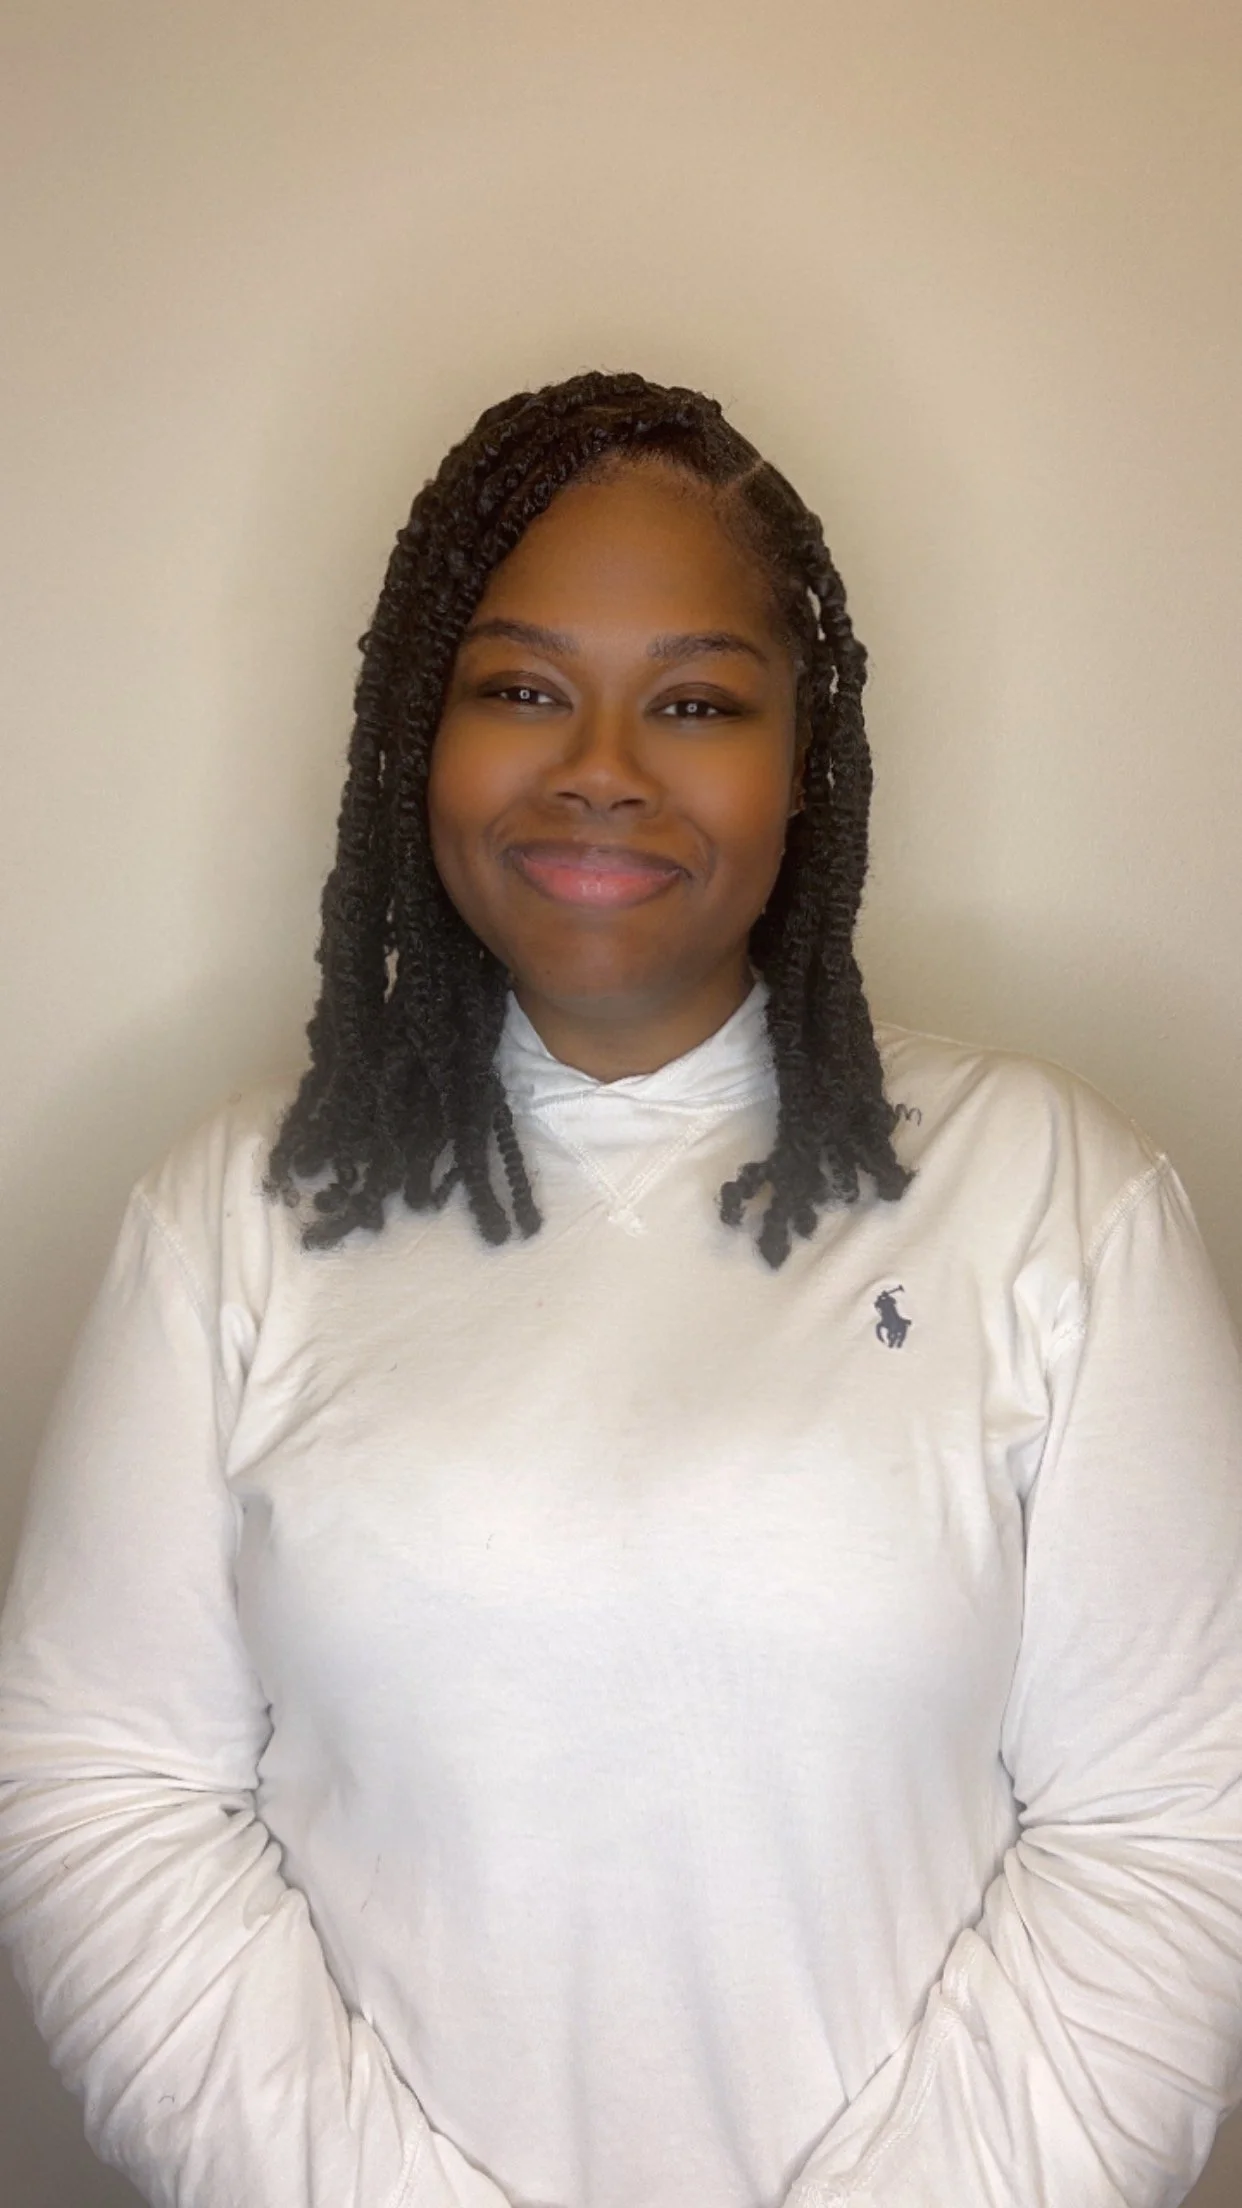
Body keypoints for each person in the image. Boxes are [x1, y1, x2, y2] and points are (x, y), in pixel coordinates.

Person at [0, 369, 1240, 2208]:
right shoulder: (233, 1216)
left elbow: (1170, 1834)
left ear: (800, 761)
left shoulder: (1052, 1193)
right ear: (414, 734)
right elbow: (104, 1789)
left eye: (694, 700)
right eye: (518, 687)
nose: (602, 762)